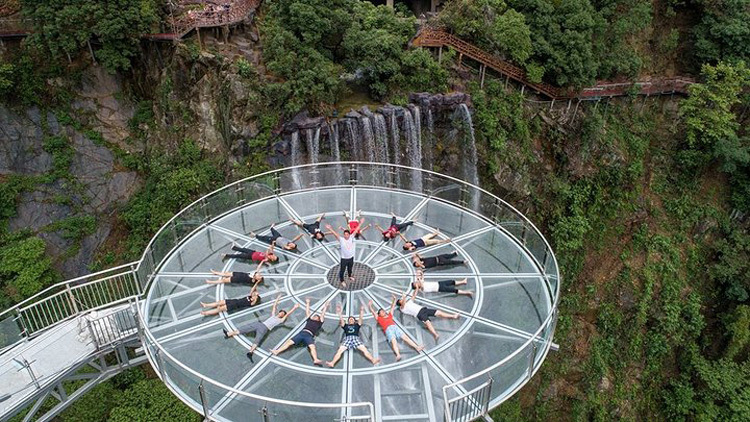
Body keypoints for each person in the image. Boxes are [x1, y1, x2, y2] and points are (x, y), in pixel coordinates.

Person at [223, 294, 300, 362]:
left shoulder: (280, 320)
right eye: (281, 312)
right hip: (260, 324)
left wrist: (294, 307)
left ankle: (250, 352)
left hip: (264, 328)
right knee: (244, 329)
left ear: (283, 316)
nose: (281, 314)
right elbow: (274, 306)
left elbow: (288, 314)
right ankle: (229, 334)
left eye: (283, 314)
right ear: (279, 312)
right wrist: (278, 298)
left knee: (257, 340)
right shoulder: (273, 315)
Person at [271, 298, 329, 366]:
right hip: (302, 333)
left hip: (309, 335)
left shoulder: (319, 323)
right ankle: (277, 351)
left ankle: (315, 359)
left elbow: (322, 315)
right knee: (289, 342)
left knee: (312, 347)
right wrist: (307, 303)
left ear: (318, 319)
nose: (314, 317)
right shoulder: (309, 320)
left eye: (316, 317)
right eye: (314, 316)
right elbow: (307, 312)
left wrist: (325, 306)